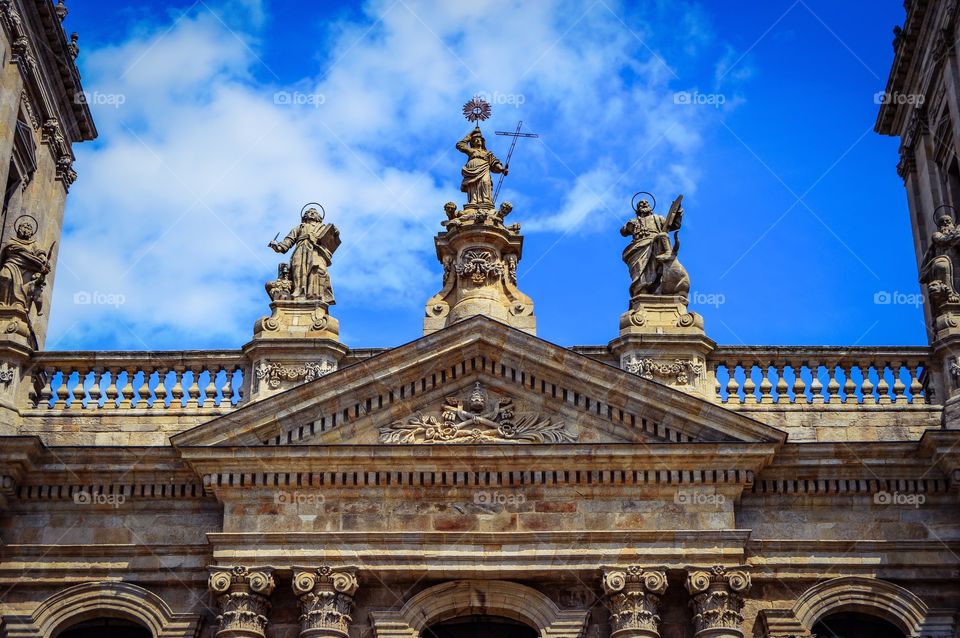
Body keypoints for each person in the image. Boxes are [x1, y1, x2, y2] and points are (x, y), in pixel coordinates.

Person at [269, 207, 337, 303]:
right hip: (300, 249)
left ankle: (315, 294)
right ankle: (298, 292)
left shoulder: (323, 227)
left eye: (314, 212)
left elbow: (331, 241)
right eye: (309, 212)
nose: (312, 213)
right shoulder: (300, 227)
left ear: (319, 216)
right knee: (297, 268)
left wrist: (334, 234)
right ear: (305, 216)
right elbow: (288, 240)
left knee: (318, 270)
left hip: (317, 251)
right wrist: (278, 247)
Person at [620, 199, 682, 295]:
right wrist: (628, 226)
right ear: (637, 209)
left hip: (656, 244)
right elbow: (623, 232)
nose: (644, 204)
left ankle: (659, 287)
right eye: (641, 203)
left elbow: (674, 225)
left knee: (657, 267)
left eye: (646, 203)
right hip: (638, 247)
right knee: (639, 268)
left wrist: (677, 212)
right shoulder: (634, 221)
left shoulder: (657, 218)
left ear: (650, 207)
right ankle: (641, 288)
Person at [0, 218, 50, 314]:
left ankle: (18, 303)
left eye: (29, 228)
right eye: (24, 227)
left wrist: (44, 259)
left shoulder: (33, 244)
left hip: (28, 267)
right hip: (11, 264)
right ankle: (2, 302)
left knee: (24, 286)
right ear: (19, 229)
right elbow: (7, 250)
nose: (26, 229)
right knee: (5, 277)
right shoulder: (12, 241)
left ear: (31, 233)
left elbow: (40, 254)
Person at [456, 127, 507, 208]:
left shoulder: (487, 153)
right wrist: (471, 134)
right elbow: (460, 145)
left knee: (485, 182)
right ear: (472, 142)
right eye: (475, 140)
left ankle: (486, 201)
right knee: (472, 185)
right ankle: (473, 201)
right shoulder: (472, 151)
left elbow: (494, 162)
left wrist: (501, 169)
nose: (477, 140)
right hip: (472, 170)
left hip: (484, 168)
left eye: (479, 139)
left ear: (483, 141)